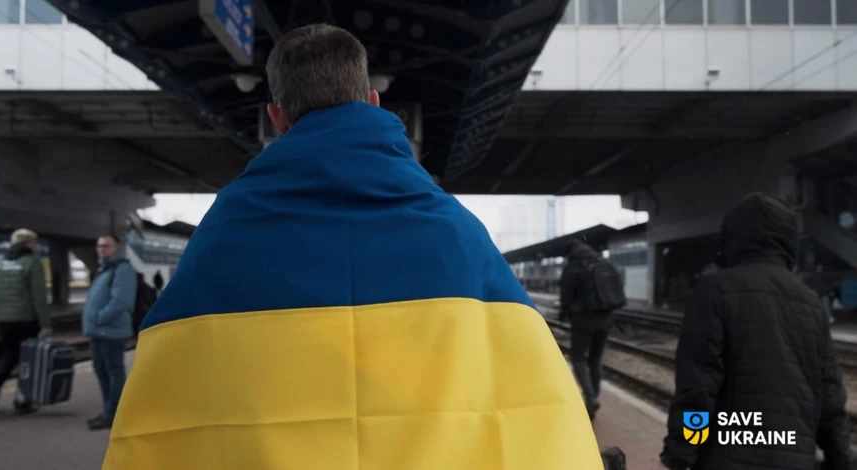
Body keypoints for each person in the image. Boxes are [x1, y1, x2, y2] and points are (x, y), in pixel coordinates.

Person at [102, 24, 602, 469]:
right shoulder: (456, 231)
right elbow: (525, 389)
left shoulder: (224, 232)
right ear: (373, 101)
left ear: (277, 116)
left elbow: (174, 392)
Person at [659, 193, 851, 470]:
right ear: (789, 242)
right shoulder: (812, 304)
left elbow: (697, 390)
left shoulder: (715, 290)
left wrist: (680, 455)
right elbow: (831, 400)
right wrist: (840, 460)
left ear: (733, 239)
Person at [0, 228, 52, 414]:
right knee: (27, 360)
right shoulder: (32, 263)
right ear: (29, 243)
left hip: (3, 321)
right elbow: (39, 298)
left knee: (9, 354)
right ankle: (19, 399)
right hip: (27, 320)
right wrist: (46, 324)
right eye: (34, 243)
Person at [559, 239, 620, 419]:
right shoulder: (603, 262)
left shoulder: (572, 267)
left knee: (578, 358)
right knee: (596, 358)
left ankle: (591, 397)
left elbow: (566, 296)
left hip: (583, 320)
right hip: (605, 318)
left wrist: (566, 313)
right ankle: (595, 393)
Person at [82, 234, 137, 431]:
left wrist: (99, 317)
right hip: (98, 331)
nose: (101, 250)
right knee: (101, 371)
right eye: (99, 246)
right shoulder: (104, 269)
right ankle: (109, 410)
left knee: (114, 372)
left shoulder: (122, 269)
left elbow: (121, 301)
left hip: (111, 331)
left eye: (106, 246)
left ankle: (114, 414)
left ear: (117, 247)